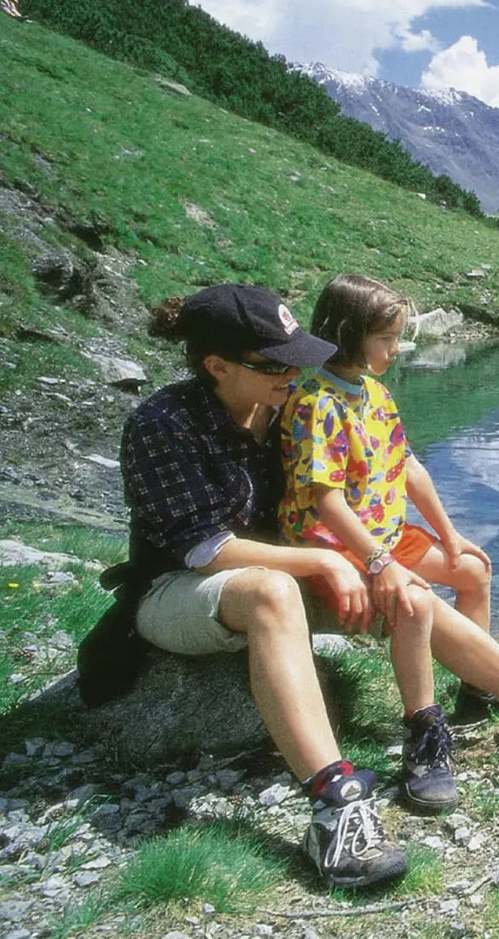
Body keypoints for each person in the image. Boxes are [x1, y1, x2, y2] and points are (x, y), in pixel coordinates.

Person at [115, 283, 410, 889]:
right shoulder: (161, 424)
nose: (294, 373)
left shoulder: (281, 406)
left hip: (276, 571)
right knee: (272, 589)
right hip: (174, 588)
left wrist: (376, 561)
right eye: (275, 364)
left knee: (409, 598)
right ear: (216, 366)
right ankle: (335, 802)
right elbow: (203, 550)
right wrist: (320, 563)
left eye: (295, 357)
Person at [277, 274, 499, 799]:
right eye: (386, 338)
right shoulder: (316, 402)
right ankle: (423, 731)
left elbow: (408, 466)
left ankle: (476, 694)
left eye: (397, 336)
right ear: (348, 333)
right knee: (414, 605)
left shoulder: (374, 392)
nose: (397, 348)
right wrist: (377, 562)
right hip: (336, 545)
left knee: (473, 571)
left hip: (384, 532)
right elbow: (326, 501)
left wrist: (450, 535)